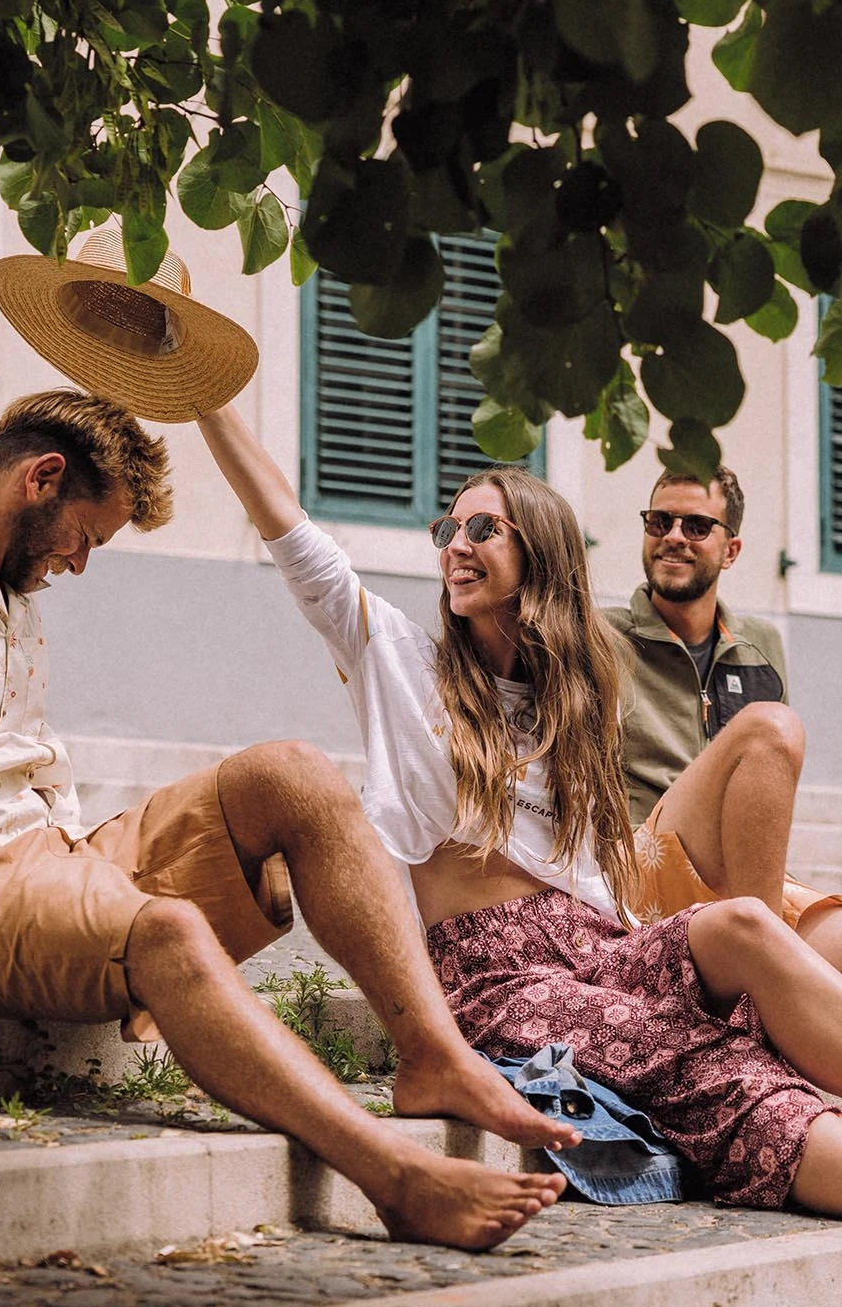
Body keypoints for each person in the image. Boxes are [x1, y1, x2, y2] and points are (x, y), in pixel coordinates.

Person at [0, 387, 579, 1253]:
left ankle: (435, 1055)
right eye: (88, 536)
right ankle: (395, 1177)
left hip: (57, 857)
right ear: (42, 478)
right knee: (170, 928)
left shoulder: (10, 592)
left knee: (294, 771)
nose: (80, 563)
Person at [198, 402, 842, 1215]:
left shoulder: (574, 701)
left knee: (743, 924)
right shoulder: (399, 662)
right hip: (497, 974)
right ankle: (775, 1118)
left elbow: (600, 869)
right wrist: (205, 396)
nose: (456, 545)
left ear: (537, 554)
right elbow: (291, 531)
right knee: (712, 1063)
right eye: (449, 530)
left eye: (483, 530)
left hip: (600, 943)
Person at [603, 469, 842, 965]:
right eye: (660, 521)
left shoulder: (761, 646)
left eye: (696, 526)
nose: (673, 536)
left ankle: (762, 949)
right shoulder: (599, 638)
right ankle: (764, 967)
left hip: (738, 881)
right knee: (770, 726)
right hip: (636, 866)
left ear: (731, 550)